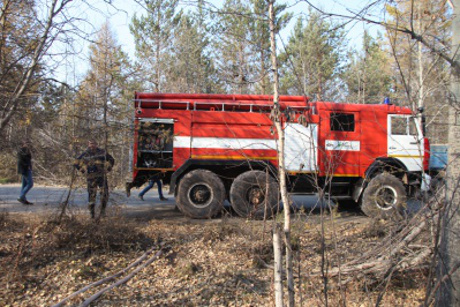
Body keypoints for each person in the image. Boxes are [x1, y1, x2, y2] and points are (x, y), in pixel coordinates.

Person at [75, 140, 115, 218]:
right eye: (91, 144)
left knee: (104, 194)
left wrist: (108, 168)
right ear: (88, 144)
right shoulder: (85, 153)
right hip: (91, 177)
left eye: (94, 144)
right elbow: (76, 163)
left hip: (101, 176)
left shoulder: (102, 152)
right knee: (91, 195)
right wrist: (83, 170)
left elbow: (111, 159)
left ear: (97, 144)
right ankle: (92, 214)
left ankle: (102, 212)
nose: (92, 145)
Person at [17, 140, 34, 205]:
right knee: (30, 184)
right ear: (23, 144)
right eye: (27, 143)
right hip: (24, 169)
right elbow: (20, 161)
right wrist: (27, 166)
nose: (28, 145)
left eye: (29, 143)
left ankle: (23, 199)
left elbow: (29, 159)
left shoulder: (28, 151)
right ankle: (21, 196)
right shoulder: (21, 151)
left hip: (27, 169)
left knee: (24, 185)